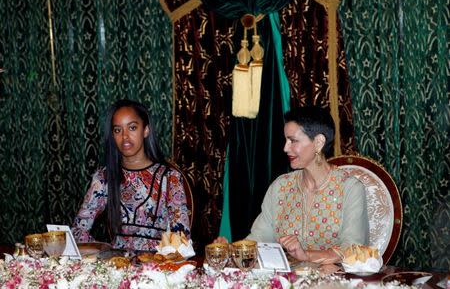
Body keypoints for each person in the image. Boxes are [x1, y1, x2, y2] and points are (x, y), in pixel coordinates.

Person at [217, 106, 369, 265]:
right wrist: (231, 252)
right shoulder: (280, 187)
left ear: (318, 142)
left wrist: (307, 255)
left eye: (293, 141)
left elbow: (353, 248)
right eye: (286, 140)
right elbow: (259, 239)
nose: (285, 148)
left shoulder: (349, 188)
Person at [72, 99, 191, 251]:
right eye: (117, 130)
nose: (125, 136)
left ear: (146, 130)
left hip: (158, 268)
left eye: (132, 127)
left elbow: (181, 238)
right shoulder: (104, 177)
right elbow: (78, 230)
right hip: (116, 267)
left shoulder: (169, 178)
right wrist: (104, 253)